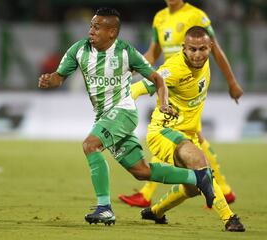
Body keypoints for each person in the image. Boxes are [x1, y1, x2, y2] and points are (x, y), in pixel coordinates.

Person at [38, 7, 215, 226]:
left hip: (123, 111)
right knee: (140, 171)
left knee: (90, 145)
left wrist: (165, 103)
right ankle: (198, 177)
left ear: (112, 32)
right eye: (91, 26)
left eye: (97, 27)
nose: (91, 31)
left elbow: (158, 79)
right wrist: (50, 80)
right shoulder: (79, 50)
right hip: (104, 116)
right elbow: (59, 77)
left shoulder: (126, 52)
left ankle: (104, 208)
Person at [119, 0, 242, 208]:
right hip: (167, 85)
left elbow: (215, 49)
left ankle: (148, 193)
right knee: (189, 138)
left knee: (175, 135)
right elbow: (153, 53)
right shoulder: (160, 18)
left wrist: (232, 81)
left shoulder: (196, 15)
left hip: (189, 86)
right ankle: (224, 190)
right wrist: (133, 68)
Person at [132, 26, 245, 231]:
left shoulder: (204, 61)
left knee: (192, 188)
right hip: (163, 132)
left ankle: (156, 211)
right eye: (192, 49)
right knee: (202, 165)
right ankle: (230, 219)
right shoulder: (174, 69)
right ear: (184, 47)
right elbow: (138, 88)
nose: (197, 54)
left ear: (210, 47)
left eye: (202, 49)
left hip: (186, 135)